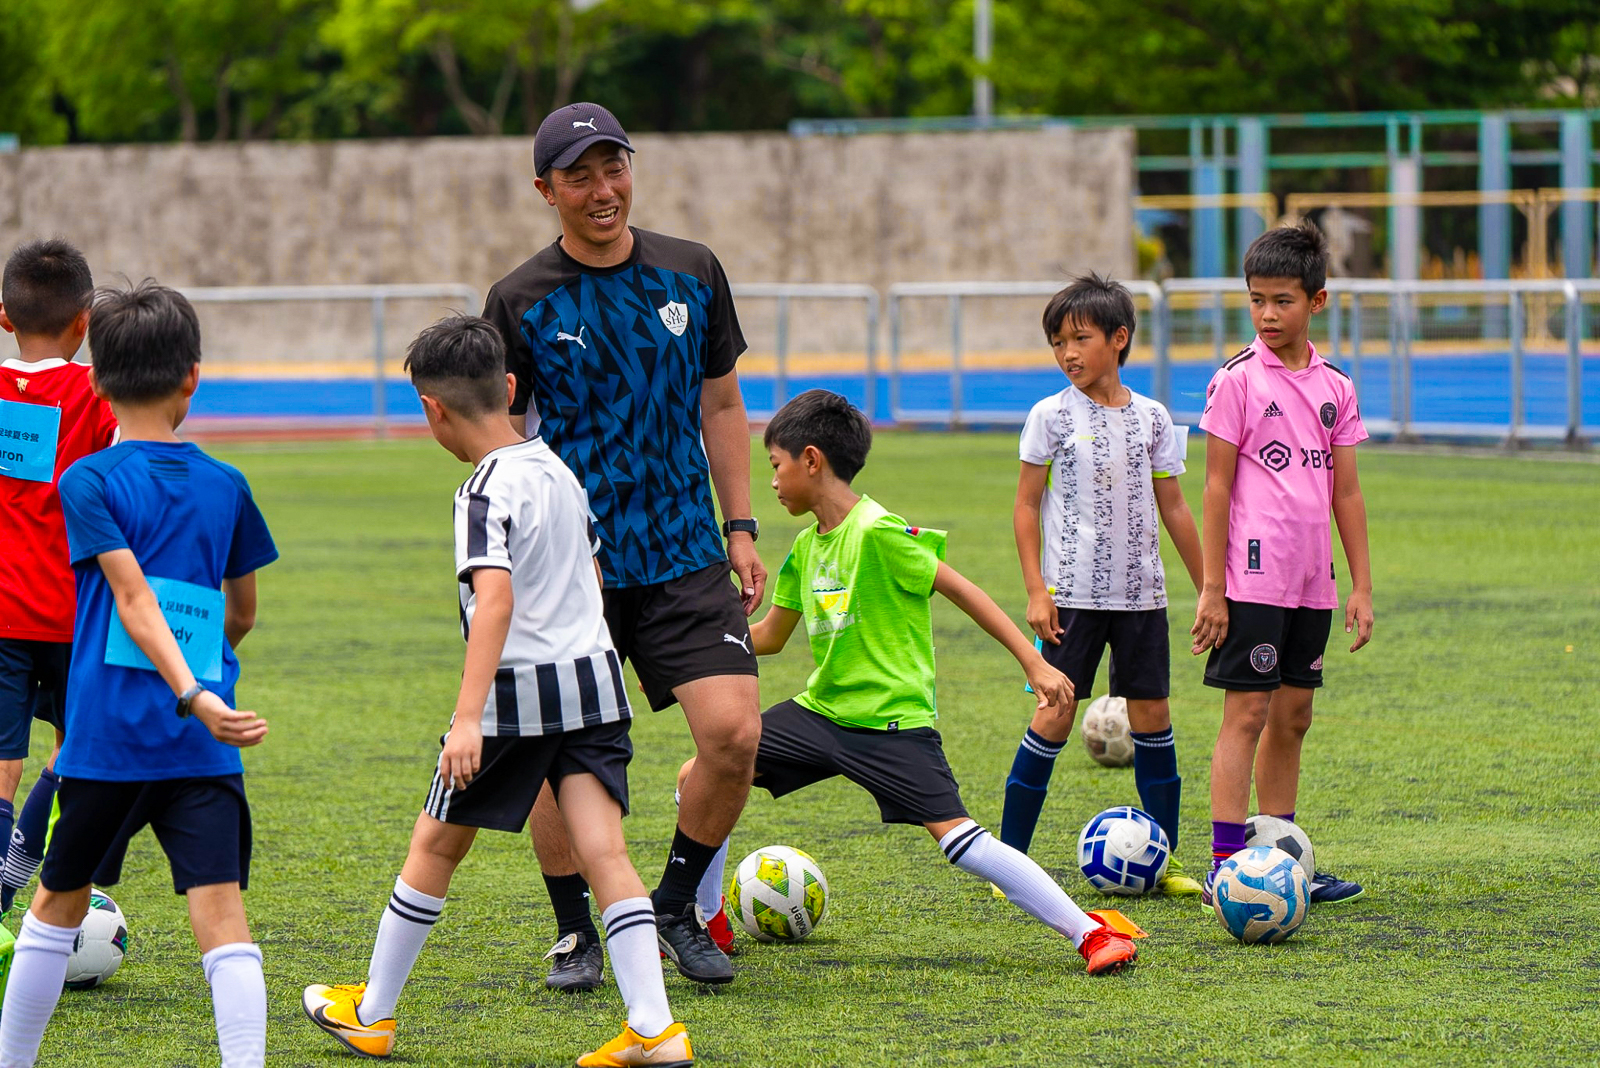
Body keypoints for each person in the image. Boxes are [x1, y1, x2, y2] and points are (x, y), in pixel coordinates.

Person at [301, 316, 695, 1068]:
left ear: (432, 411)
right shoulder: (558, 469)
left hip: (518, 697)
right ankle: (654, 1026)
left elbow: (497, 600)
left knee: (435, 843)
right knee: (605, 850)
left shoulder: (481, 491)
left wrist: (467, 717)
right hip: (594, 685)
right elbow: (588, 576)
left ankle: (374, 1014)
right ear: (510, 389)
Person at [681, 389, 1139, 977]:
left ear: (812, 460)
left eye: (775, 465)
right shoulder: (803, 547)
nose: (770, 480)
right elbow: (770, 635)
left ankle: (1090, 933)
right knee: (701, 774)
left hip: (893, 723)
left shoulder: (880, 532)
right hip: (821, 712)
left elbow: (963, 590)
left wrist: (1034, 661)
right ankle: (707, 918)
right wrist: (701, 640)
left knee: (959, 840)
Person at [483, 102, 762, 989]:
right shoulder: (519, 299)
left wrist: (742, 526)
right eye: (579, 175)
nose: (602, 191)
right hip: (569, 566)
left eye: (614, 169)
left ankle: (676, 903)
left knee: (733, 735)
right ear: (545, 190)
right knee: (551, 751)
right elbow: (504, 431)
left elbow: (721, 405)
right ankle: (576, 930)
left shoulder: (693, 271)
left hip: (685, 550)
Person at [0, 279, 277, 1068]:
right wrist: (200, 688)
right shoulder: (228, 485)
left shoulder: (86, 481)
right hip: (201, 742)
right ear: (194, 375)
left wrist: (183, 689)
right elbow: (243, 613)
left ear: (95, 380)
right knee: (222, 917)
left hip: (109, 739)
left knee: (54, 902)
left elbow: (129, 595)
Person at [1000, 273, 1204, 896]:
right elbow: (1025, 506)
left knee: (1154, 720)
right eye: (1057, 341)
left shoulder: (1153, 418)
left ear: (1118, 339)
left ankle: (1162, 863)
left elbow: (1174, 507)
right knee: (1053, 715)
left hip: (1143, 599)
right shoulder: (1049, 416)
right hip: (1072, 600)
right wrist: (1037, 590)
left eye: (1079, 338)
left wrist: (1209, 588)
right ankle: (1006, 862)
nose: (1066, 353)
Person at [1190, 220, 1373, 908]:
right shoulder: (1235, 381)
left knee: (1294, 715)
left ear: (1317, 302)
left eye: (1283, 301)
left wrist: (1360, 585)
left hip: (1312, 581)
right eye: (1257, 300)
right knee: (1248, 713)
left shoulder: (1336, 387)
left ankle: (1283, 856)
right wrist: (1213, 587)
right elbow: (1214, 487)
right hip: (1253, 576)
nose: (1268, 315)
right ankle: (1224, 865)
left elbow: (1346, 492)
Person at [0, 239, 119, 915]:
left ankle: (2, 873)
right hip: (77, 611)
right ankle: (25, 863)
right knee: (75, 746)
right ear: (86, 321)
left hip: (2, 613)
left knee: (0, 762)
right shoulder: (95, 393)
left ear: (4, 317)